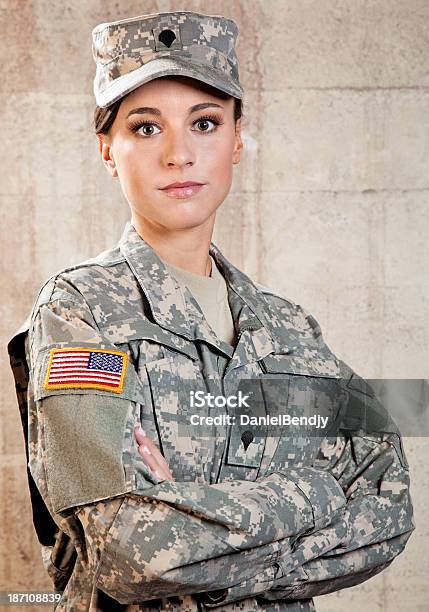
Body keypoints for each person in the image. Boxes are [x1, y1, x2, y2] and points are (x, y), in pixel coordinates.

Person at [7, 9, 415, 612]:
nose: (179, 154)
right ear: (107, 150)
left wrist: (192, 513)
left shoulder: (290, 331)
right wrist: (318, 493)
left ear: (237, 139)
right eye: (146, 128)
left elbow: (389, 506)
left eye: (204, 122)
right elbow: (129, 552)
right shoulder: (80, 310)